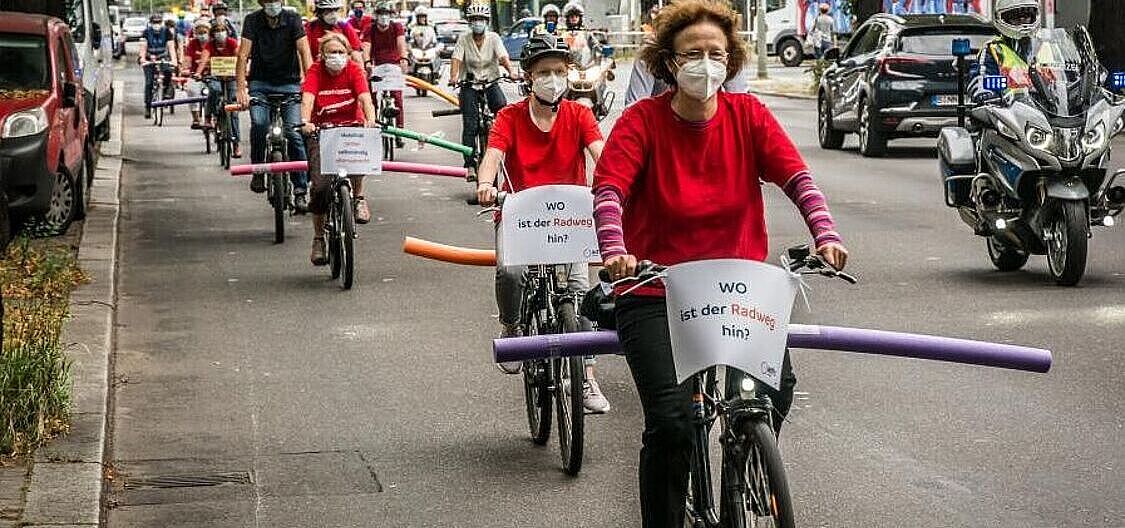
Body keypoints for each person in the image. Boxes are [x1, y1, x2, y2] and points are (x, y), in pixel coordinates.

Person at [591, 1, 847, 526]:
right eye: (692, 54)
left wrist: (825, 233)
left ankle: (743, 454)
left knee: (776, 392)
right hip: (655, 291)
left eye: (716, 54)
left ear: (730, 62)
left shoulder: (747, 115)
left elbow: (798, 179)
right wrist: (616, 250)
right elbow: (609, 190)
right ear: (667, 63)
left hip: (737, 292)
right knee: (674, 424)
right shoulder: (642, 122)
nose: (704, 65)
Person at [475, 34, 611, 413]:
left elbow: (602, 155)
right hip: (521, 216)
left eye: (559, 71)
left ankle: (587, 380)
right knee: (511, 272)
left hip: (570, 219)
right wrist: (486, 184)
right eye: (544, 72)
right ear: (528, 78)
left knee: (581, 296)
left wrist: (617, 183)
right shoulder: (509, 116)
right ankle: (513, 326)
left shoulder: (580, 115)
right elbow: (493, 155)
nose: (553, 79)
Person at [300, 33, 378, 265]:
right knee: (321, 187)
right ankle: (318, 239)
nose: (336, 57)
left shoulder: (354, 70)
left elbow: (365, 98)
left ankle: (359, 198)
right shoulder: (315, 71)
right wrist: (306, 122)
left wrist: (370, 119)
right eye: (331, 52)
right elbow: (307, 100)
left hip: (351, 128)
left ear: (347, 54)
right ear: (322, 55)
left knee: (359, 158)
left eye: (340, 52)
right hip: (322, 131)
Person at [236, 0, 314, 209]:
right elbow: (243, 55)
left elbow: (305, 52)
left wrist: (311, 85)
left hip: (289, 84)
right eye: (268, 1)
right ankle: (258, 171)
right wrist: (241, 89)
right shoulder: (252, 20)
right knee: (260, 125)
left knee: (294, 132)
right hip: (260, 84)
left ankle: (300, 189)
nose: (273, 4)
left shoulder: (293, 18)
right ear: (262, 3)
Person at [449, 3, 516, 178]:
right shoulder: (464, 39)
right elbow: (456, 58)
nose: (478, 22)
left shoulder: (494, 38)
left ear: (486, 21)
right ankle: (470, 164)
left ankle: (505, 150)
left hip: (490, 82)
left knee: (502, 109)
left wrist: (512, 72)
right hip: (469, 85)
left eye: (481, 20)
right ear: (470, 22)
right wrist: (454, 77)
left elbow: (502, 57)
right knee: (470, 124)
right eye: (474, 20)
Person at [971, 0, 1039, 103]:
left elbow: (1064, 79)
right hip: (1010, 111)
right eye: (1015, 16)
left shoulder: (1045, 46)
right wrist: (985, 92)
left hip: (1047, 111)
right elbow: (982, 79)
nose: (1022, 20)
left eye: (1027, 15)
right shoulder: (994, 49)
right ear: (1003, 18)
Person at [363, 1, 409, 144]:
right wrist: (367, 62)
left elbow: (401, 43)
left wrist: (404, 58)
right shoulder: (370, 29)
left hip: (394, 66)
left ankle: (400, 131)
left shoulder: (397, 27)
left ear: (391, 16)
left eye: (386, 14)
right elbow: (366, 47)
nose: (384, 17)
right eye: (381, 14)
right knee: (372, 97)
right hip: (377, 66)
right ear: (376, 16)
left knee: (397, 97)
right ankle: (373, 125)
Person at [196, 23, 243, 158]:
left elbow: (240, 58)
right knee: (214, 90)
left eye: (222, 30)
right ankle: (209, 117)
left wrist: (244, 72)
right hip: (215, 76)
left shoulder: (232, 43)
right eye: (217, 31)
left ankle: (236, 144)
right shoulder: (210, 45)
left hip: (231, 77)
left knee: (233, 111)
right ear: (212, 34)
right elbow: (204, 60)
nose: (220, 33)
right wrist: (199, 73)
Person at [139, 13, 178, 120]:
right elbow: (143, 47)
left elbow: (171, 48)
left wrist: (174, 61)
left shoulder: (167, 32)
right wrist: (142, 58)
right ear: (150, 23)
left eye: (158, 22)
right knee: (149, 82)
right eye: (154, 22)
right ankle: (148, 106)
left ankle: (166, 91)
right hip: (149, 59)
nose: (156, 24)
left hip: (163, 58)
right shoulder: (146, 32)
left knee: (168, 72)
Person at [182, 18, 212, 129]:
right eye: (199, 33)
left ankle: (213, 116)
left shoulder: (214, 43)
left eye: (204, 32)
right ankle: (196, 118)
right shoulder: (192, 44)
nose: (202, 35)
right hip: (195, 75)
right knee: (191, 89)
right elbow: (188, 59)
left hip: (213, 75)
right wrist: (185, 68)